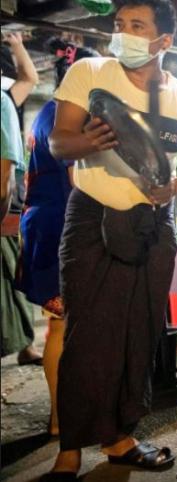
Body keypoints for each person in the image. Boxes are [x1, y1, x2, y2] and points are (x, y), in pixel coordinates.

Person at [43, 1, 177, 479]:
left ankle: (121, 437)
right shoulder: (90, 72)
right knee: (85, 334)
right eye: (120, 25)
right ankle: (70, 450)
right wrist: (91, 141)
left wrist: (175, 186)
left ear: (164, 41)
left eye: (137, 26)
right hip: (91, 217)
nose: (124, 34)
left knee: (139, 333)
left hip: (152, 224)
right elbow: (59, 143)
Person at [13, 38, 98, 438]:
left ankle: (64, 415)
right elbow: (77, 180)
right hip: (60, 229)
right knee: (63, 327)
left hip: (45, 225)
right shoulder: (69, 117)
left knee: (63, 325)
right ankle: (61, 419)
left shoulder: (47, 112)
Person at [0, 30, 42, 367]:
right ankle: (24, 344)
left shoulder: (6, 100)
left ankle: (26, 344)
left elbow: (30, 77)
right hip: (8, 199)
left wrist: (16, 44)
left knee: (15, 276)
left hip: (9, 201)